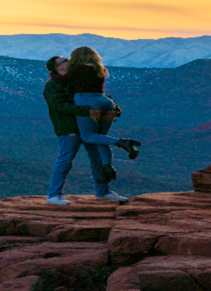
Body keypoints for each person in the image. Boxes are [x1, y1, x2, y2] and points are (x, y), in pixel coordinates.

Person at [43, 55, 128, 205]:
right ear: (58, 67)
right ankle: (54, 196)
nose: (69, 60)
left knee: (96, 158)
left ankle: (102, 192)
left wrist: (116, 110)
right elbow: (59, 106)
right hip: (69, 126)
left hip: (88, 124)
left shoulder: (75, 77)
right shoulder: (52, 85)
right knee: (65, 159)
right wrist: (86, 111)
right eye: (65, 60)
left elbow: (96, 96)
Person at [66, 46, 142, 184]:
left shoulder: (77, 69)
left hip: (87, 101)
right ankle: (107, 168)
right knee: (101, 138)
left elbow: (62, 82)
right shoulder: (99, 68)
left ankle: (121, 142)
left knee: (88, 136)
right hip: (105, 101)